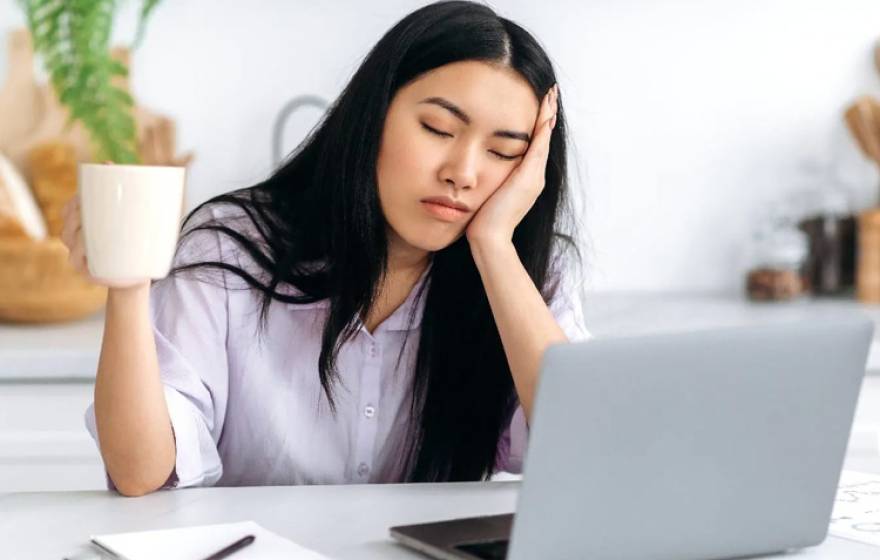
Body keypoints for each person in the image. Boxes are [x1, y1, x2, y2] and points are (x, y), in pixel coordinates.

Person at [60, 0, 590, 497]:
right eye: (438, 128)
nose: (464, 173)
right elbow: (141, 474)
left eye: (503, 152)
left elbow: (581, 450)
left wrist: (494, 247)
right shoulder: (231, 249)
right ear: (373, 114)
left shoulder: (530, 276)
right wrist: (127, 288)